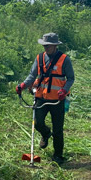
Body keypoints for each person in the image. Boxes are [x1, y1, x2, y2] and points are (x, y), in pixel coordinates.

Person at [16, 33, 75, 164]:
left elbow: (71, 78)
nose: (45, 48)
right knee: (37, 123)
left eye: (48, 46)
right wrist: (23, 85)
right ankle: (46, 134)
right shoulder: (40, 58)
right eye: (44, 45)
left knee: (58, 129)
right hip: (41, 97)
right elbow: (32, 75)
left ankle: (58, 155)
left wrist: (64, 91)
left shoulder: (65, 59)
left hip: (57, 100)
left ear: (55, 46)